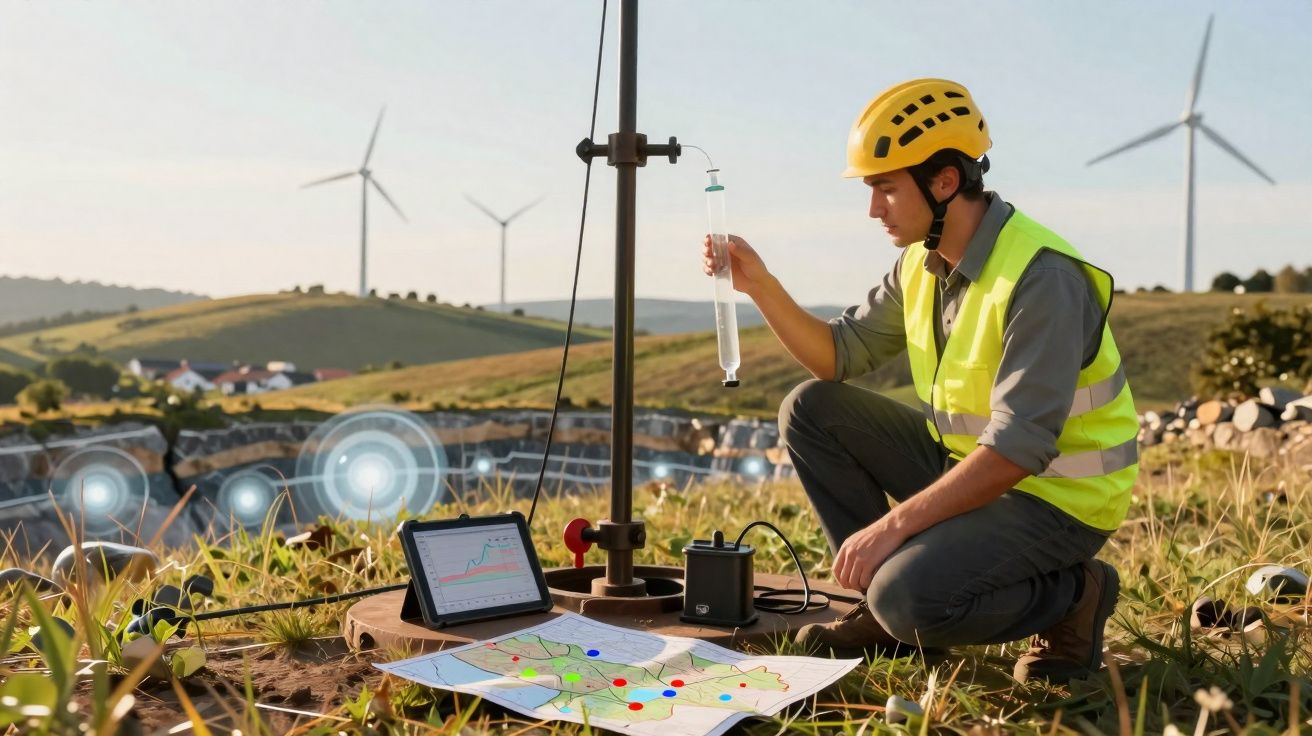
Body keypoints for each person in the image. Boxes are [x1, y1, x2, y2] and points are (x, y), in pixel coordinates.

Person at [701, 79, 1139, 682]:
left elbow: (1018, 448)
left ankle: (1074, 596)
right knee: (813, 408)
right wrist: (759, 285)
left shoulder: (1042, 279)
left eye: (884, 188)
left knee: (909, 598)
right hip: (969, 467)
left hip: (1058, 500)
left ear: (944, 182)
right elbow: (836, 357)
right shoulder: (921, 263)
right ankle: (883, 606)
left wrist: (891, 527)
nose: (873, 209)